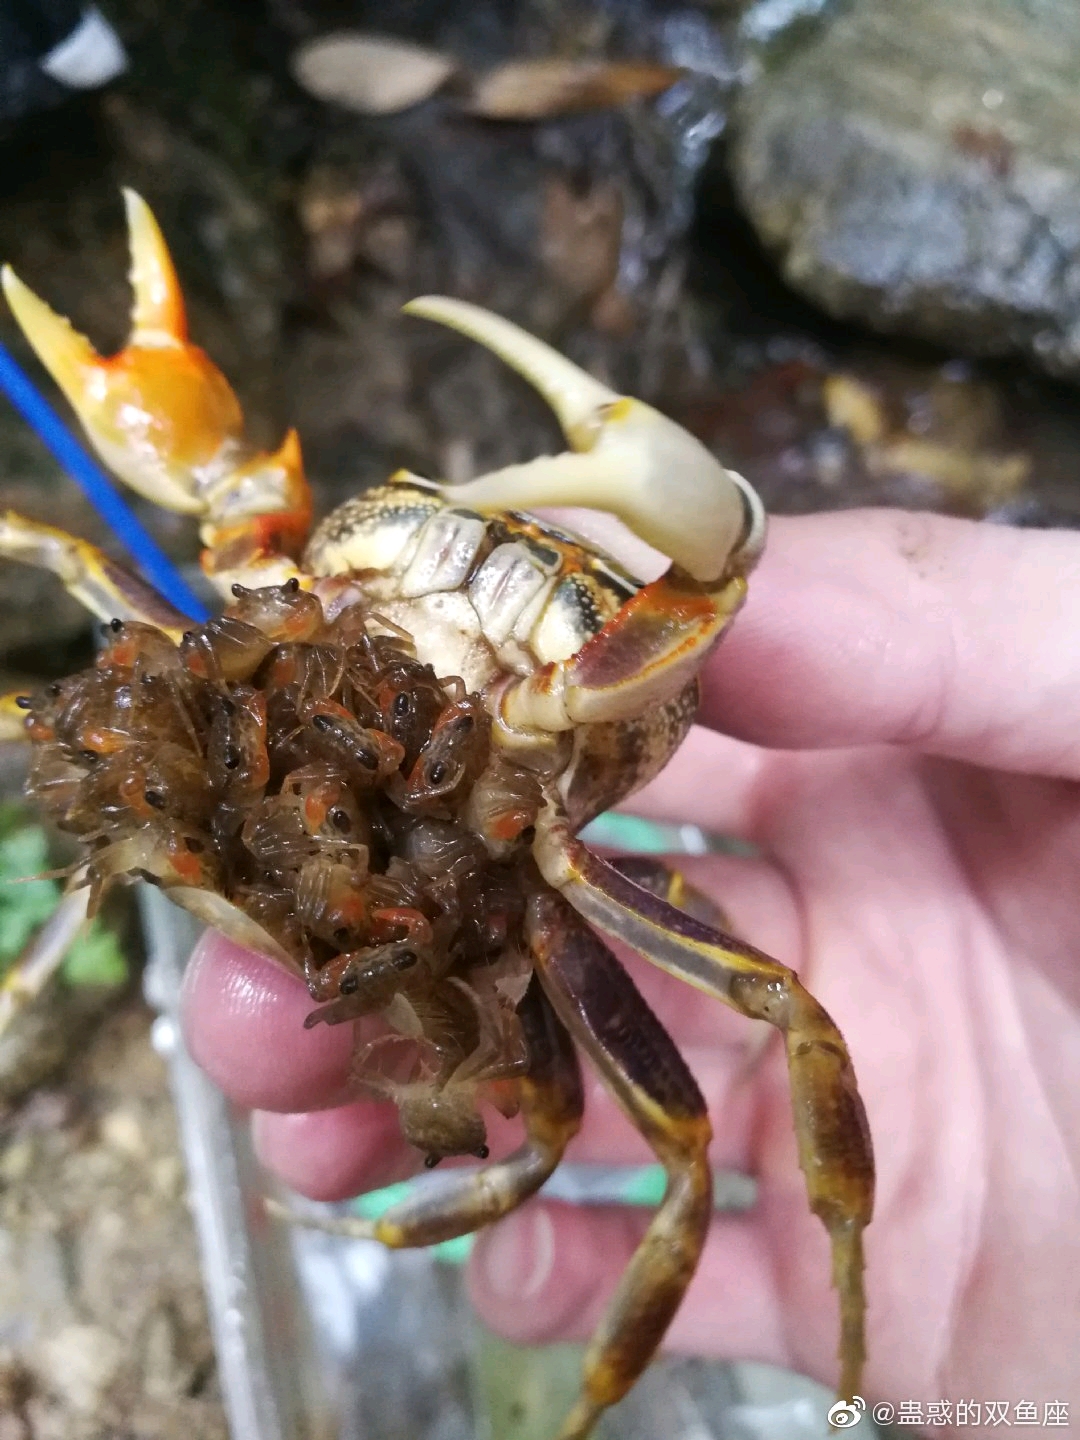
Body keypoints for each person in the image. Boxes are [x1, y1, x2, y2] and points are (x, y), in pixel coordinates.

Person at [180, 507, 1080, 1415]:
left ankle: (675, 1363)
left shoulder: (628, 698)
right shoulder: (302, 613)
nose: (483, 566)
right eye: (454, 525)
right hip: (417, 776)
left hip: (541, 810)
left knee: (664, 1125)